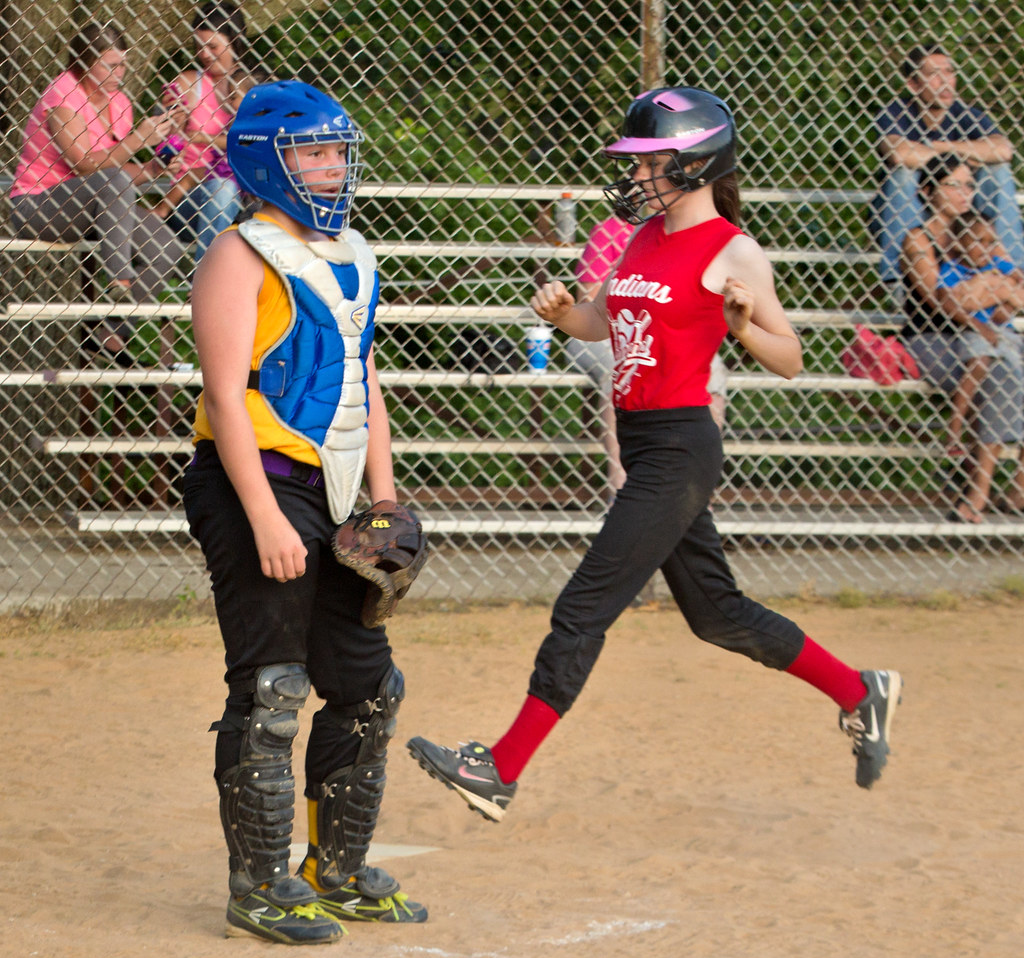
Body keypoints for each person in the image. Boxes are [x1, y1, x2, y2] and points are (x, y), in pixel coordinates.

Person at [406, 86, 904, 825]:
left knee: (584, 605)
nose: (635, 176)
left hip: (680, 445)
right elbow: (596, 322)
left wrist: (741, 326)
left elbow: (792, 357)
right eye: (634, 163)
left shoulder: (733, 249)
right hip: (645, 445)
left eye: (650, 162)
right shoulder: (640, 238)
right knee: (717, 615)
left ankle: (500, 769)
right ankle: (861, 692)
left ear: (696, 163)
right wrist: (559, 313)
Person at [182, 79, 426, 944]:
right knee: (274, 684)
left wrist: (385, 497)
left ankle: (339, 868)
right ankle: (258, 885)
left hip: (329, 489)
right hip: (254, 484)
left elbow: (363, 378)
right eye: (312, 152)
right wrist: (266, 518)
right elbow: (226, 392)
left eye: (336, 152)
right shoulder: (238, 255)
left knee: (365, 684)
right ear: (264, 161)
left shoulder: (351, 254)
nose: (330, 168)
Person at [8, 21, 186, 364]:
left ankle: (109, 336)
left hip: (96, 205)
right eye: (111, 65)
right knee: (114, 180)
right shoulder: (64, 93)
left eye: (123, 64)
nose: (120, 72)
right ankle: (119, 282)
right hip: (40, 205)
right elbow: (85, 165)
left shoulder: (119, 103)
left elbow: (114, 170)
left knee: (166, 247)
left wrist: (152, 170)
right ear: (86, 62)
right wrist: (138, 141)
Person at [900, 154, 1024, 523]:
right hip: (934, 339)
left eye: (969, 184)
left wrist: (989, 292)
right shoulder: (918, 240)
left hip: (991, 334)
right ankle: (978, 493)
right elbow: (938, 301)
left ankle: (1019, 486)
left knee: (1001, 362)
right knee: (999, 373)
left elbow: (1014, 291)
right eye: (954, 184)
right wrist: (993, 288)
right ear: (927, 190)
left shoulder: (985, 233)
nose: (965, 192)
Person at [569, 212, 730, 497]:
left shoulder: (691, 235)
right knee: (621, 364)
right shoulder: (611, 230)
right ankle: (623, 486)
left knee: (712, 365)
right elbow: (589, 300)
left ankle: (697, 491)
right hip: (606, 330)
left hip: (660, 333)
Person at [870, 42, 1024, 291]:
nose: (945, 81)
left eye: (949, 72)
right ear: (914, 84)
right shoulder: (898, 112)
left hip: (962, 212)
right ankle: (898, 280)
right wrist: (965, 154)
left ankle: (1014, 273)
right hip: (916, 213)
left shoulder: (965, 113)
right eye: (933, 74)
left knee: (998, 171)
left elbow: (1003, 150)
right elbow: (899, 153)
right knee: (903, 175)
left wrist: (936, 149)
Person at [154, 1, 260, 264]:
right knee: (221, 188)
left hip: (245, 199)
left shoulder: (253, 86)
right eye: (199, 46)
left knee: (231, 190)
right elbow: (167, 142)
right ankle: (205, 278)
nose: (204, 54)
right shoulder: (189, 82)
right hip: (190, 196)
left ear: (233, 42)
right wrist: (173, 123)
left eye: (212, 46)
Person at [939, 213, 1024, 459]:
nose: (985, 248)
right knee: (978, 364)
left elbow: (1018, 282)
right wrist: (981, 324)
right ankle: (955, 427)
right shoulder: (952, 268)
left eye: (990, 242)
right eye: (977, 241)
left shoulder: (998, 263)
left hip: (1003, 333)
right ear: (958, 243)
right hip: (973, 330)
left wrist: (1007, 303)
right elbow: (949, 303)